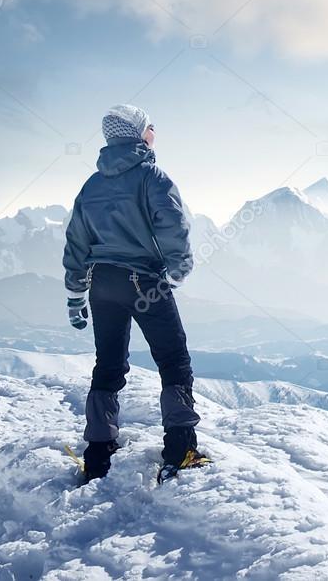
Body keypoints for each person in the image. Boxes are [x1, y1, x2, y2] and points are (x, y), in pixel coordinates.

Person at [62, 103, 209, 483]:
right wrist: (176, 275)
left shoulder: (91, 186)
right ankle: (181, 449)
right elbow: (174, 229)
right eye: (151, 126)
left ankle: (98, 453)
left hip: (103, 283)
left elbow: (76, 243)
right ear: (139, 134)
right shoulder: (152, 177)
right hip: (144, 281)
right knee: (174, 361)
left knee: (108, 365)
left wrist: (76, 295)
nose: (155, 131)